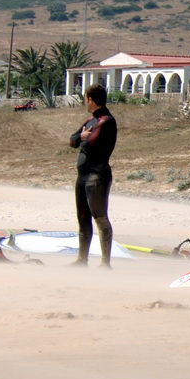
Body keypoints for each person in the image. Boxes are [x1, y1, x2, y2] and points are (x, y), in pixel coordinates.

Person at [69, 84, 116, 267]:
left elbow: (90, 145)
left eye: (85, 98)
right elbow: (73, 140)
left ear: (90, 99)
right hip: (83, 175)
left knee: (100, 217)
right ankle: (82, 259)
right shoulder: (91, 120)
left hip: (97, 176)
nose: (84, 102)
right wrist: (81, 137)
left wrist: (82, 138)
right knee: (82, 218)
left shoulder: (106, 121)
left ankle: (105, 262)